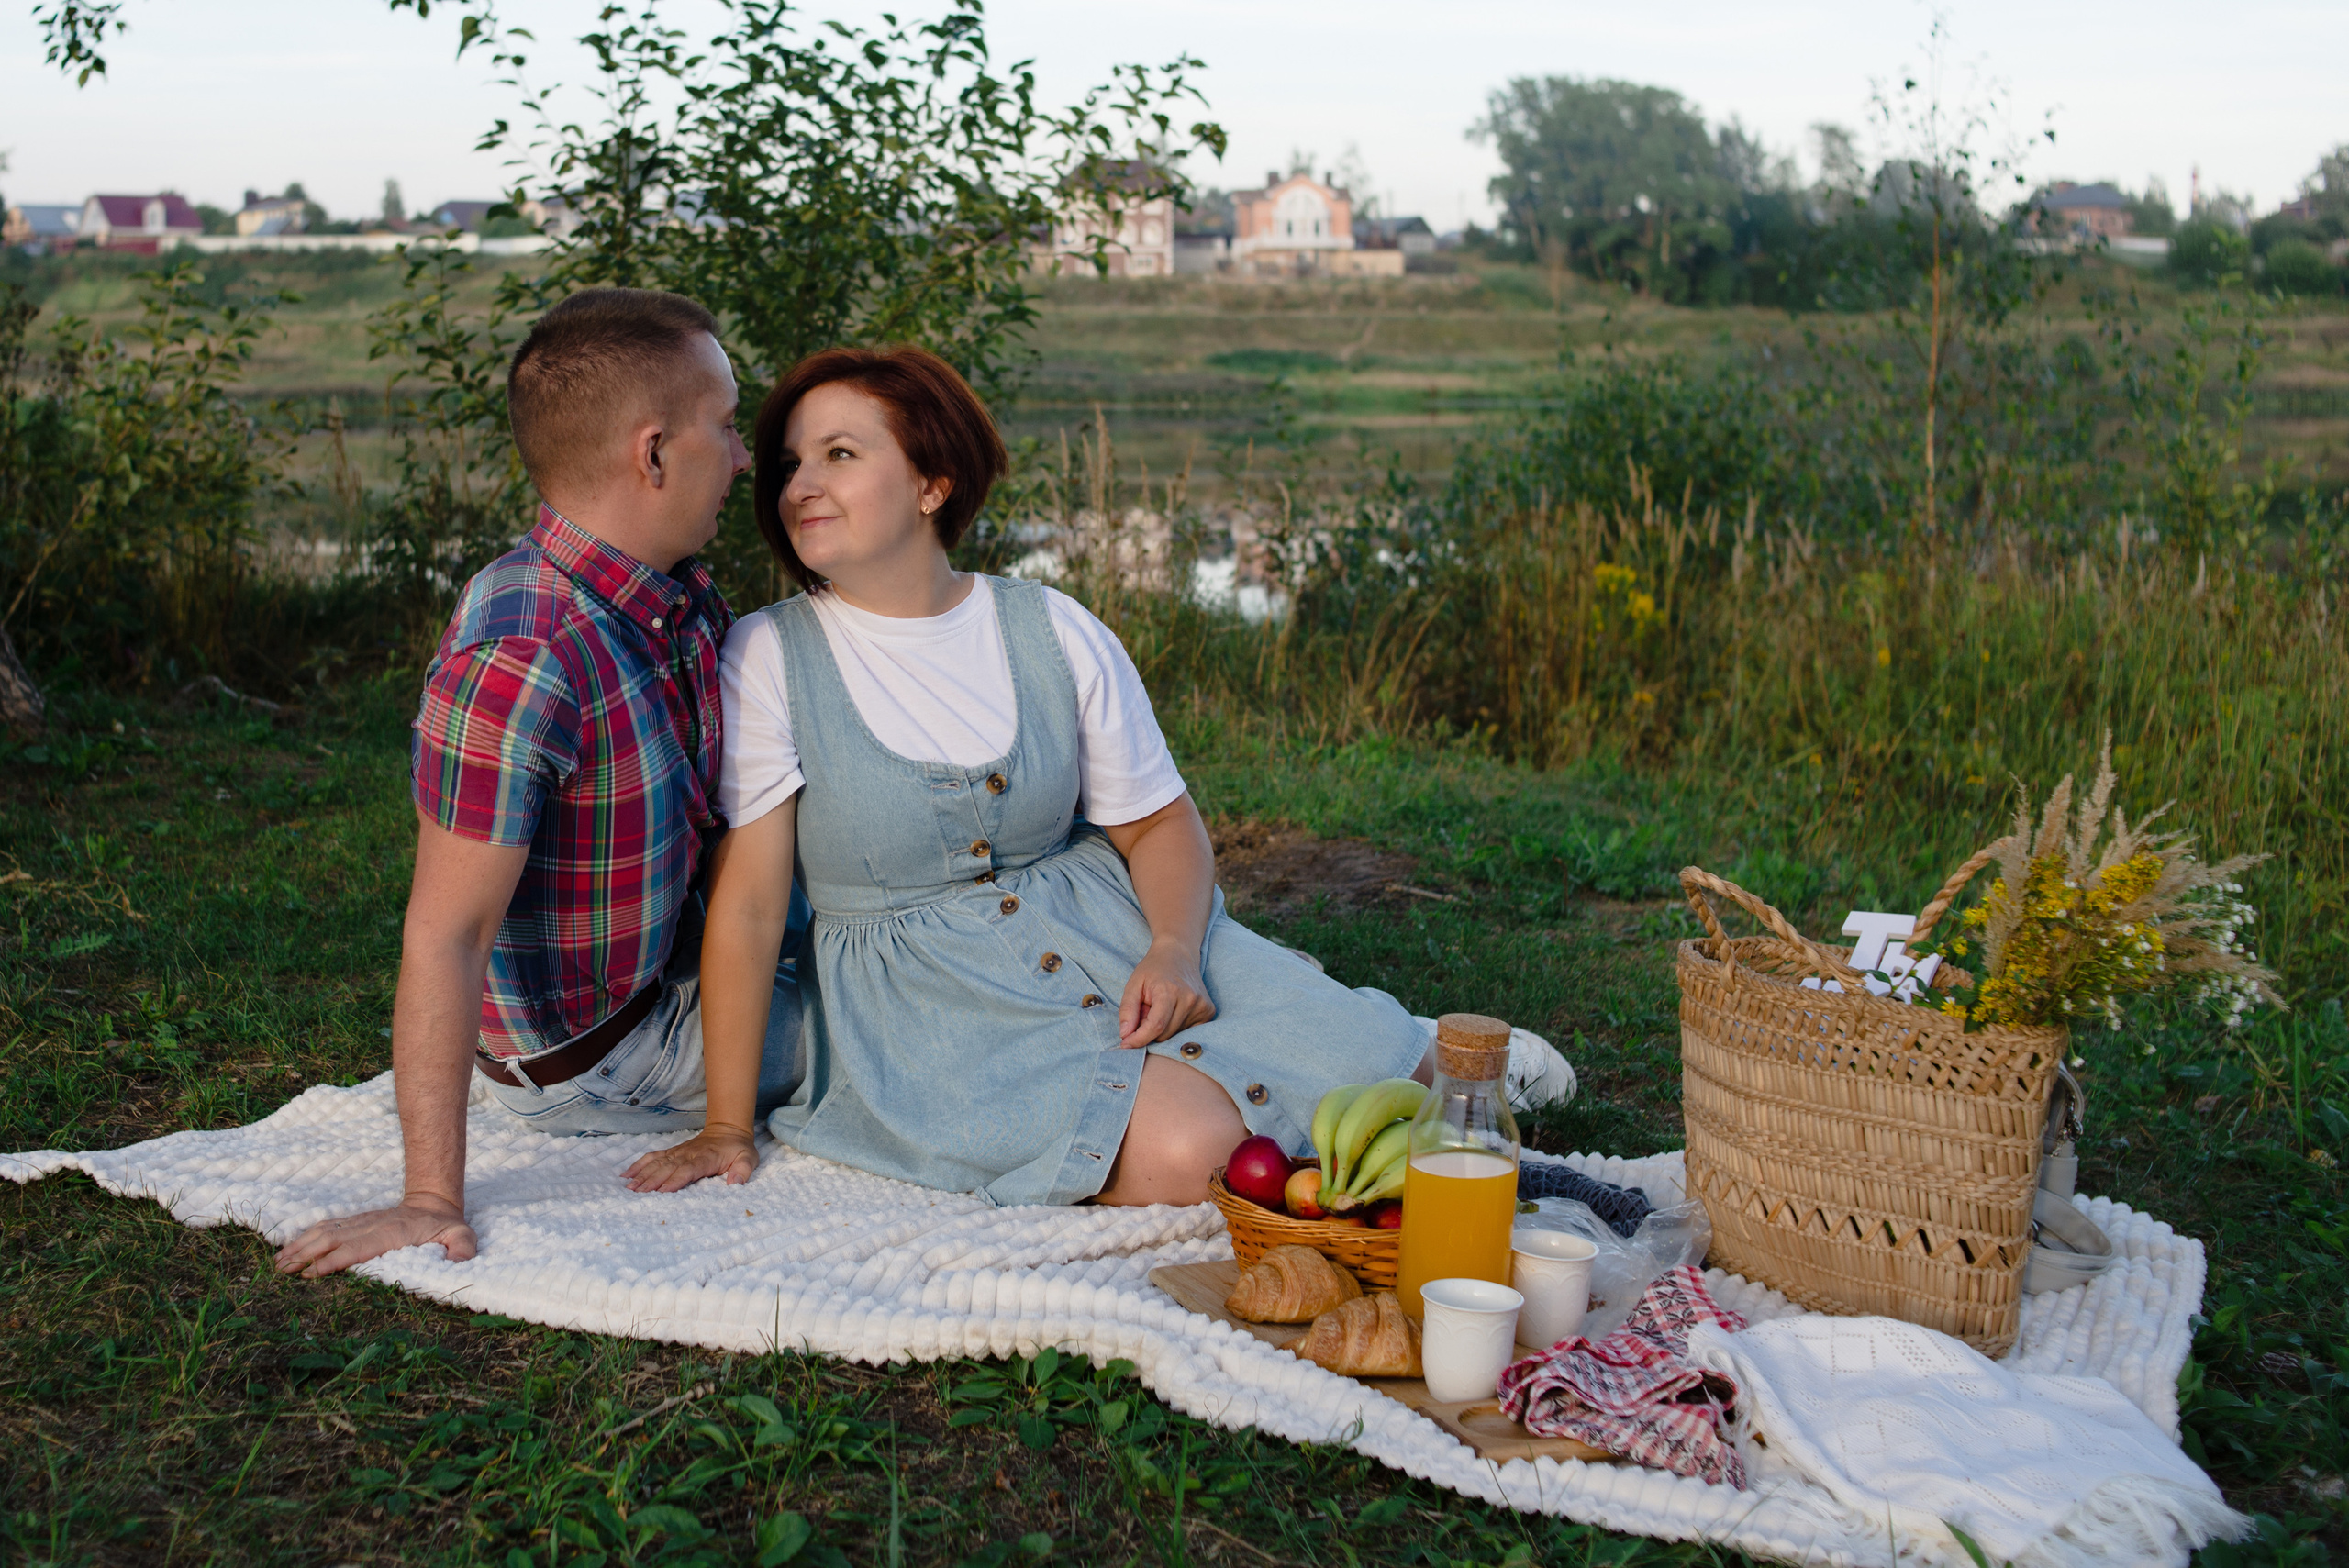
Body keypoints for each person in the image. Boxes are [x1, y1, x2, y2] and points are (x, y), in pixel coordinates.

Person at [619, 345, 1447, 1208]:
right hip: (935, 1005)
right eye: (790, 463)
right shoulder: (769, 654)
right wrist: (724, 1124)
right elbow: (749, 904)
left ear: (933, 481)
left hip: (1111, 929)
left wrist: (1172, 950)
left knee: (1409, 1069)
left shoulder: (1052, 626)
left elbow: (1158, 825)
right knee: (1194, 1148)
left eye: (839, 454)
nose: (797, 486)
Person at [274, 287, 805, 1278]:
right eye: (726, 428)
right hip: (608, 1053)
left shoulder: (670, 590)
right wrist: (430, 1197)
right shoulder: (525, 653)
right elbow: (446, 929)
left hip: (673, 960)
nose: (743, 458)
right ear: (651, 454)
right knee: (901, 1015)